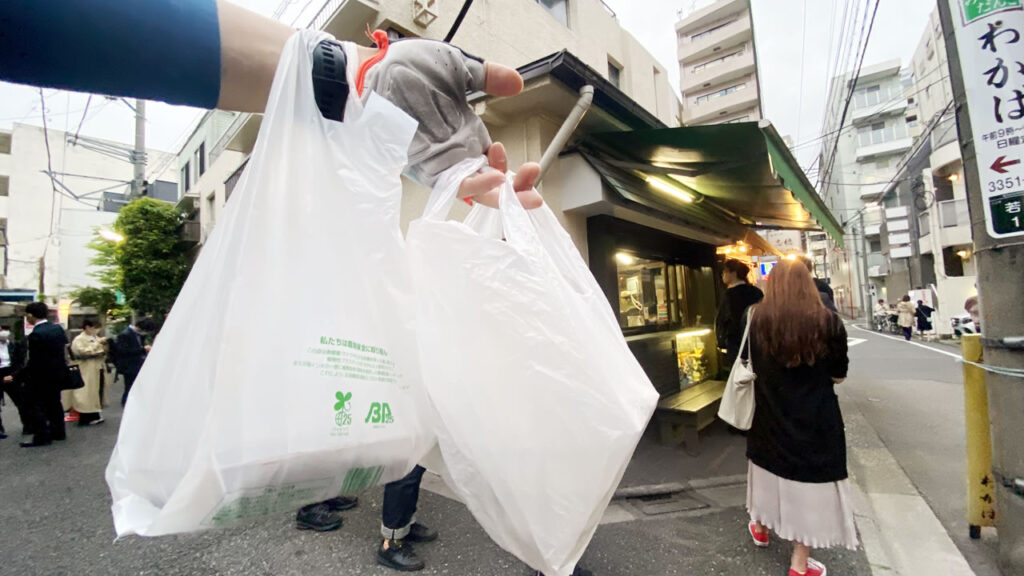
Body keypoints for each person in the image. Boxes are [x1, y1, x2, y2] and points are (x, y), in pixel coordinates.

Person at [743, 261, 855, 576]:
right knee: (809, 487)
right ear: (807, 283)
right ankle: (799, 564)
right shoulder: (828, 323)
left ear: (772, 285)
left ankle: (761, 528)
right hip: (815, 420)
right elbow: (839, 376)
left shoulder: (756, 319)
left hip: (767, 416)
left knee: (767, 471)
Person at [20, 302, 71, 448]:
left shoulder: (36, 335)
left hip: (40, 376)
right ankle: (59, 432)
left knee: (38, 406)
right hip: (58, 373)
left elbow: (34, 361)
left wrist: (20, 375)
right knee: (55, 402)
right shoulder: (57, 329)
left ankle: (41, 436)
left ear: (30, 315)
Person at [716, 259, 765, 369]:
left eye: (725, 271)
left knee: (739, 375)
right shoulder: (757, 292)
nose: (723, 275)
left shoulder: (729, 295)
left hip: (736, 344)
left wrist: (722, 340)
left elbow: (726, 320)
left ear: (733, 273)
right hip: (757, 342)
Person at [66, 320, 108, 426]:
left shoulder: (95, 337)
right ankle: (86, 417)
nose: (96, 330)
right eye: (94, 327)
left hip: (97, 368)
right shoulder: (79, 339)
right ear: (87, 327)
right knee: (86, 393)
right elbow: (81, 352)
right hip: (86, 369)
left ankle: (95, 414)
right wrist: (97, 345)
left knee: (96, 392)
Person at [113, 318, 156, 407]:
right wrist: (142, 350)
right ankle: (126, 404)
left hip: (136, 364)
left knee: (133, 386)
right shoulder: (125, 335)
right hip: (129, 366)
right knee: (129, 387)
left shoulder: (136, 335)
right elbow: (122, 351)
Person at [0, 326, 28, 440]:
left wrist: (13, 375)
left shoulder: (14, 345)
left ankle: (28, 425)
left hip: (11, 373)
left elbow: (20, 363)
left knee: (21, 400)